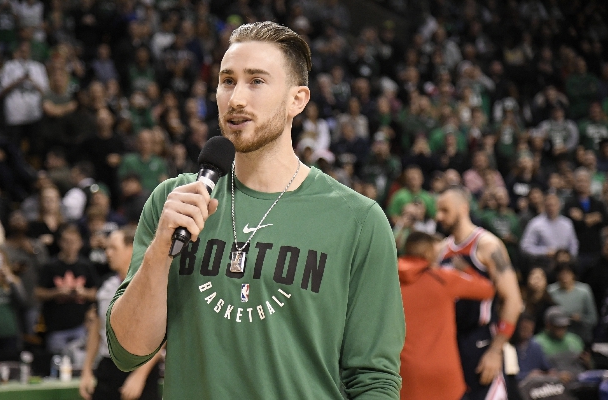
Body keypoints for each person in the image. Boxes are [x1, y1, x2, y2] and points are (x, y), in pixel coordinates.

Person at [107, 21, 404, 399]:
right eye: (227, 81)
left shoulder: (358, 220)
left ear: (298, 100)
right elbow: (128, 352)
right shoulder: (175, 201)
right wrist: (159, 252)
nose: (236, 99)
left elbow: (375, 380)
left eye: (256, 81)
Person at [436, 186, 523, 400]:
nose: (439, 217)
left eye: (445, 210)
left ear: (463, 208)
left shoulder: (488, 245)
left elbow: (513, 301)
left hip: (481, 340)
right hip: (449, 343)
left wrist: (496, 350)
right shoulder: (440, 250)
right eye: (438, 211)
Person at [398, 231, 495, 400]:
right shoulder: (443, 279)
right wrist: (466, 269)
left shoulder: (389, 280)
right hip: (444, 375)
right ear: (429, 253)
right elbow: (487, 289)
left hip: (404, 374)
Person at [79, 227, 161, 400]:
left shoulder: (151, 283)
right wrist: (86, 370)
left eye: (113, 248)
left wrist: (139, 376)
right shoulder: (105, 285)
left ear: (131, 249)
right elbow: (96, 328)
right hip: (107, 366)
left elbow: (160, 335)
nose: (107, 253)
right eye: (106, 248)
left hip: (138, 364)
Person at [35, 223, 99, 355]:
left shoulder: (86, 266)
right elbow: (38, 293)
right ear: (60, 243)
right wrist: (56, 292)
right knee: (57, 362)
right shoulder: (50, 266)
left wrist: (84, 292)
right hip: (56, 327)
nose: (70, 246)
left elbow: (97, 293)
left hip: (80, 326)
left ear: (80, 243)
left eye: (73, 242)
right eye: (66, 241)